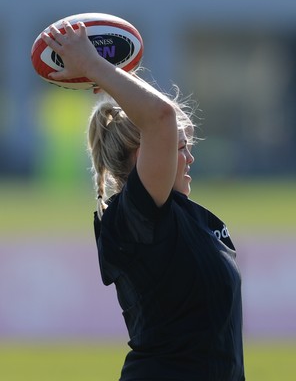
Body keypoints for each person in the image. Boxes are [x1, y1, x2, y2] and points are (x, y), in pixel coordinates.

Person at [42, 20, 245, 381]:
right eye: (179, 148)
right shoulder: (136, 217)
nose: (188, 156)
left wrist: (113, 72)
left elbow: (167, 120)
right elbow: (161, 119)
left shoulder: (190, 218)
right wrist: (95, 67)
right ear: (140, 156)